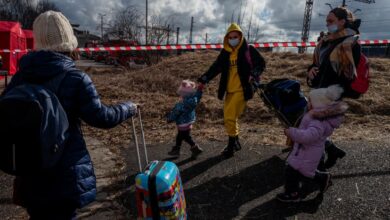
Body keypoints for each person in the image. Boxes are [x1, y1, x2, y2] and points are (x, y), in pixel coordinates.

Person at [2, 11, 137, 219]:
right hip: (64, 174)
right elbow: (102, 118)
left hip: (29, 173)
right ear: (69, 41)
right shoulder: (75, 78)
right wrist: (129, 108)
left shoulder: (20, 76)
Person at [198, 23, 266, 158]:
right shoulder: (225, 52)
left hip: (243, 89)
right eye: (230, 37)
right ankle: (236, 142)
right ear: (226, 38)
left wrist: (253, 74)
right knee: (229, 117)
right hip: (229, 90)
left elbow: (261, 63)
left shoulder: (248, 49)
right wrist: (204, 78)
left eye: (235, 36)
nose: (233, 39)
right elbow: (216, 67)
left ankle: (231, 147)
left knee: (230, 117)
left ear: (240, 37)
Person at [307, 7, 361, 169]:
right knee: (315, 131)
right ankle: (330, 152)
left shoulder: (349, 43)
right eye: (326, 21)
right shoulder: (325, 41)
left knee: (314, 131)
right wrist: (310, 71)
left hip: (330, 95)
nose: (327, 24)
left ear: (342, 22)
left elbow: (347, 76)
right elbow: (316, 64)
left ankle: (317, 170)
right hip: (318, 91)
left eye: (330, 21)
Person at [277, 85, 348, 202]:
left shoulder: (317, 121)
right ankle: (323, 178)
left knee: (293, 171)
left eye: (310, 101)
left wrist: (292, 132)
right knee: (304, 172)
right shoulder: (316, 116)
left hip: (307, 152)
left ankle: (292, 194)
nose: (307, 103)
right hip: (305, 151)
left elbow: (308, 136)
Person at [167, 79, 204, 158]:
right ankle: (177, 149)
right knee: (181, 136)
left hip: (182, 123)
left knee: (185, 137)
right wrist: (200, 89)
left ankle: (195, 148)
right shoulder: (194, 99)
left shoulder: (181, 105)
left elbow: (175, 113)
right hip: (189, 120)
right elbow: (198, 95)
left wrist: (169, 118)